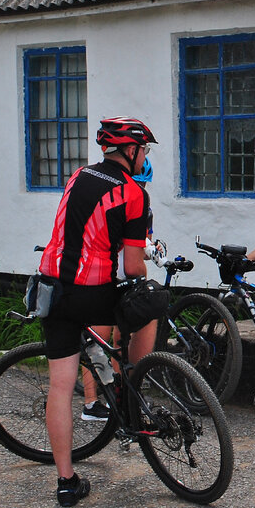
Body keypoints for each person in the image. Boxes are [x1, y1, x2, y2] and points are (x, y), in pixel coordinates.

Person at [37, 116, 160, 507]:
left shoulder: (78, 175)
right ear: (130, 150)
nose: (145, 158)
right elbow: (134, 267)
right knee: (153, 302)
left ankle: (66, 482)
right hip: (93, 291)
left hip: (52, 287)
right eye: (144, 151)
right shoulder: (133, 193)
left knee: (60, 385)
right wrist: (143, 280)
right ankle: (135, 391)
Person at [79, 156, 155, 423]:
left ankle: (121, 396)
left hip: (125, 280)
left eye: (143, 184)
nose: (140, 188)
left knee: (121, 342)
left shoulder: (143, 204)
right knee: (96, 342)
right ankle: (91, 402)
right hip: (106, 276)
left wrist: (151, 249)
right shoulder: (114, 199)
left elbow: (144, 240)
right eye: (138, 182)